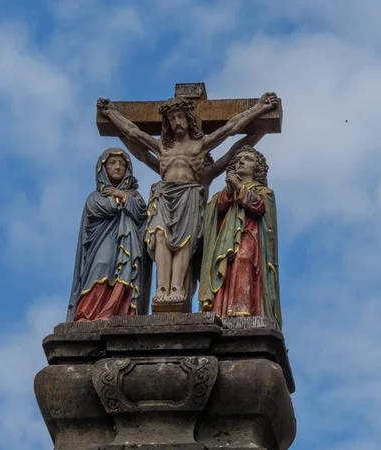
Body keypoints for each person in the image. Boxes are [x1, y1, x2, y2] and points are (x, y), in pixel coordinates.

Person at [97, 93, 278, 308]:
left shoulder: (199, 146)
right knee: (160, 239)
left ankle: (177, 289)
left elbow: (231, 128)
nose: (176, 122)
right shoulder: (163, 148)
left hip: (189, 195)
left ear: (189, 118)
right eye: (172, 119)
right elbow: (134, 135)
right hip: (164, 194)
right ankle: (162, 288)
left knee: (186, 243)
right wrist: (112, 114)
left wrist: (259, 109)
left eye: (181, 117)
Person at [198, 145, 282, 327]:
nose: (241, 161)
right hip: (224, 241)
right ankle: (220, 311)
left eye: (248, 159)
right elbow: (216, 211)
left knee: (243, 259)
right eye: (238, 160)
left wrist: (240, 189)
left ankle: (242, 310)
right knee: (225, 268)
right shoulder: (224, 193)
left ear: (257, 168)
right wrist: (229, 192)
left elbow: (259, 207)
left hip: (250, 235)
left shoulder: (265, 192)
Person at [67, 148, 151, 321]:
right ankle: (88, 313)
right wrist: (121, 201)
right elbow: (101, 208)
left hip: (128, 242)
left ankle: (117, 312)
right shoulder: (95, 197)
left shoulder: (134, 196)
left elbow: (142, 212)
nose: (118, 167)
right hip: (102, 240)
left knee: (125, 273)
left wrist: (122, 195)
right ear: (103, 168)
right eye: (112, 163)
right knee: (101, 264)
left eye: (122, 164)